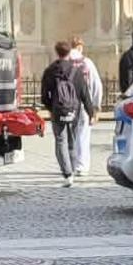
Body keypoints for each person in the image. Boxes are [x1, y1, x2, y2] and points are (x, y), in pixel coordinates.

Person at [39, 41, 88, 186]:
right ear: (69, 53)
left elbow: (44, 96)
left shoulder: (50, 71)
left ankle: (67, 174)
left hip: (58, 110)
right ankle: (72, 168)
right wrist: (91, 111)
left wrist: (51, 107)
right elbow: (84, 93)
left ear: (57, 52)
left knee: (60, 141)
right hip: (74, 110)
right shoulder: (77, 71)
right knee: (72, 140)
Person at [70, 37, 103, 174]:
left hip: (67, 104)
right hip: (84, 104)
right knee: (83, 135)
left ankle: (70, 164)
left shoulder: (63, 62)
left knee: (70, 135)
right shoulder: (87, 63)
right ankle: (81, 166)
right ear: (80, 47)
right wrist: (96, 106)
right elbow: (97, 85)